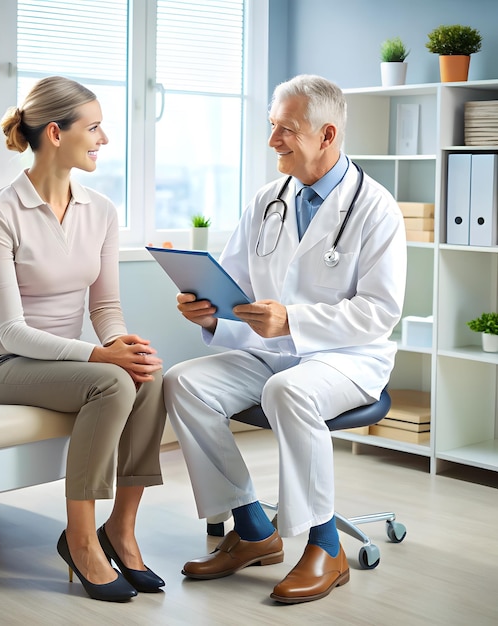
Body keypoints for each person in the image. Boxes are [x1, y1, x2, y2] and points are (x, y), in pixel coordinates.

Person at [163, 74, 406, 604]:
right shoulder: (267, 200)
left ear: (327, 135)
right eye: (272, 126)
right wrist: (207, 313)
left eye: (286, 130)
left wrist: (292, 320)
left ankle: (326, 548)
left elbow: (380, 313)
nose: (273, 140)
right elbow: (237, 290)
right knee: (183, 383)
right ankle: (252, 530)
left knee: (287, 392)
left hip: (346, 358)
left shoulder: (377, 208)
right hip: (271, 351)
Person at [0, 76, 166, 603]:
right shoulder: (1, 213)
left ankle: (119, 530)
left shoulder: (99, 210)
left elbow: (104, 307)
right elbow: (10, 330)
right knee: (112, 385)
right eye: (94, 127)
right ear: (56, 133)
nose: (103, 139)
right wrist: (101, 356)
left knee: (147, 373)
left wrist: (122, 345)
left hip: (58, 363)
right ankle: (79, 538)